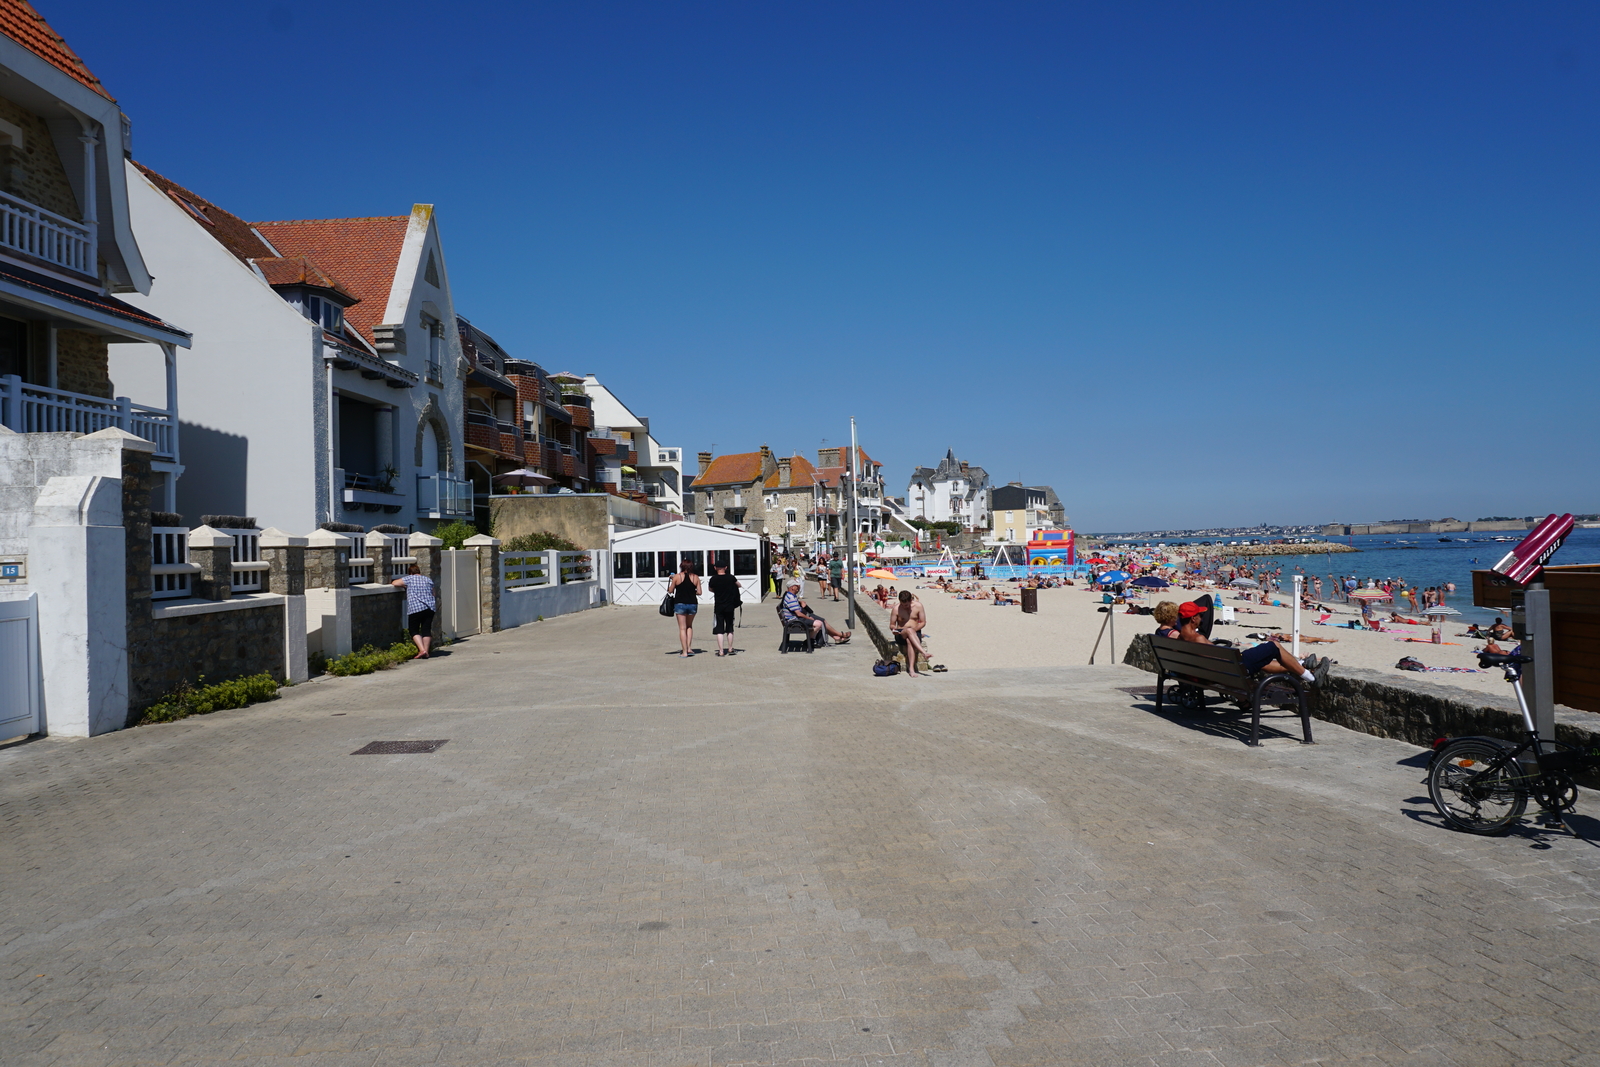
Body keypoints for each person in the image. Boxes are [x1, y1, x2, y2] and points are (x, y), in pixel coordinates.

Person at [1175, 602, 1330, 686]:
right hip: (1233, 670)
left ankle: (1301, 663)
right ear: (1193, 619)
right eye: (1200, 615)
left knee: (1262, 660)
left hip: (1223, 669)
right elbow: (1219, 661)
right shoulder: (1198, 639)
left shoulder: (1180, 639)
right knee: (1273, 646)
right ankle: (1312, 678)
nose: (1202, 618)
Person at [390, 563, 437, 660]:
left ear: (410, 573)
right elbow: (434, 593)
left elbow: (394, 583)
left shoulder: (409, 579)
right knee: (426, 629)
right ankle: (426, 652)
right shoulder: (428, 579)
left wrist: (405, 586)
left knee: (414, 630)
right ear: (419, 572)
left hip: (416, 608)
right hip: (430, 608)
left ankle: (422, 650)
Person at [781, 581, 851, 645]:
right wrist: (809, 618)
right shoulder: (791, 598)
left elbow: (792, 605)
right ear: (793, 587)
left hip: (797, 618)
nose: (799, 588)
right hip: (796, 620)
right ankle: (812, 640)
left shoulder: (790, 595)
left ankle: (836, 637)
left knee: (823, 621)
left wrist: (800, 602)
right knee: (821, 622)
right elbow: (798, 614)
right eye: (798, 587)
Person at [668, 557, 702, 658]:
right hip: (692, 604)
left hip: (680, 604)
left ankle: (684, 652)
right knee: (689, 626)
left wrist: (672, 580)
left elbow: (670, 591)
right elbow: (699, 592)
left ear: (681, 566)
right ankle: (689, 648)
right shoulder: (695, 577)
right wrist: (692, 591)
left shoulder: (677, 577)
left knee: (682, 628)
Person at [890, 590, 928, 677]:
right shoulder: (896, 609)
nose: (905, 607)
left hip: (914, 632)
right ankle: (923, 653)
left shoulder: (918, 606)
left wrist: (913, 630)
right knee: (909, 631)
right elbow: (892, 625)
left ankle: (911, 669)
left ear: (911, 600)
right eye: (902, 604)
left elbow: (923, 622)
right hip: (901, 633)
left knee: (910, 640)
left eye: (906, 605)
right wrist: (894, 630)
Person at [708, 561, 741, 656]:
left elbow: (710, 589)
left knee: (719, 628)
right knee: (730, 628)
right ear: (726, 567)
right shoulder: (731, 577)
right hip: (730, 606)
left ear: (715, 568)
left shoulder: (713, 579)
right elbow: (739, 585)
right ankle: (730, 649)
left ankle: (721, 651)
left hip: (718, 606)